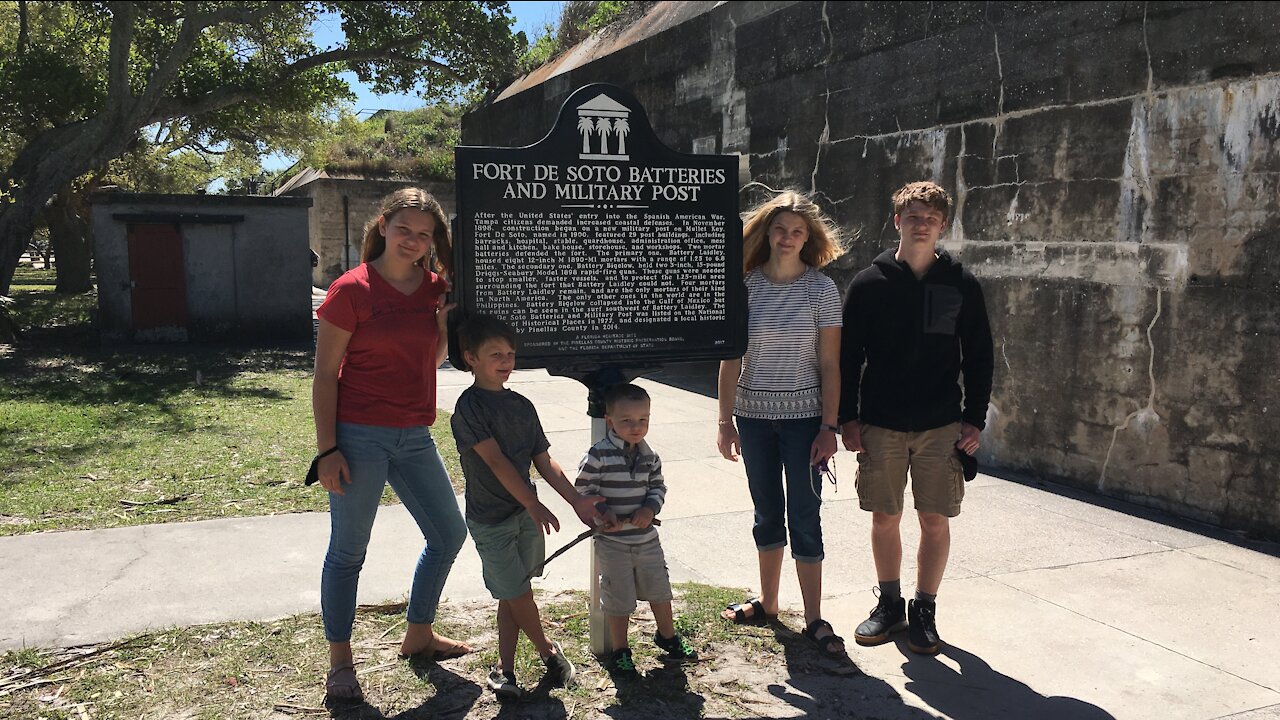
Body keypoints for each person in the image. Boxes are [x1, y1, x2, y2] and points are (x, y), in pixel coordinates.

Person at [311, 188, 470, 703]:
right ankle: (340, 661)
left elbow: (433, 357)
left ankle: (419, 634)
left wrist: (443, 323)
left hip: (415, 435)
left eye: (424, 235)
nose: (414, 241)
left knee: (448, 533)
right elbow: (324, 378)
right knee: (348, 552)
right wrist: (328, 450)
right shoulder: (350, 290)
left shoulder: (432, 289)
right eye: (404, 229)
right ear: (382, 226)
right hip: (358, 435)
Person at [840, 181, 994, 655]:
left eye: (931, 217)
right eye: (913, 216)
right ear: (897, 222)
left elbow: (980, 356)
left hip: (940, 424)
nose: (921, 223)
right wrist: (847, 418)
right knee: (885, 517)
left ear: (943, 224)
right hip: (881, 423)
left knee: (935, 519)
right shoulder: (869, 284)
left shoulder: (961, 284)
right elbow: (847, 357)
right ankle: (889, 604)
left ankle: (923, 610)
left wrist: (974, 419)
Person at [716, 190, 847, 660]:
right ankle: (768, 604)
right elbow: (731, 359)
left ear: (808, 237)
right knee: (767, 511)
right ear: (766, 232)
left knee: (806, 516)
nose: (788, 238)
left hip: (805, 422)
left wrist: (828, 427)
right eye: (780, 229)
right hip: (752, 420)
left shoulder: (822, 290)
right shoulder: (745, 285)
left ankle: (814, 619)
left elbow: (831, 364)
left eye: (797, 231)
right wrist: (724, 421)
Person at [451, 314, 607, 700]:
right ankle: (549, 652)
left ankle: (504, 668)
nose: (506, 361)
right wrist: (533, 503)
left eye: (510, 353)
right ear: (471, 358)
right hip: (490, 518)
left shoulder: (522, 405)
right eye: (495, 354)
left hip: (524, 515)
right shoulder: (468, 408)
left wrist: (576, 501)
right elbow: (497, 462)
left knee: (514, 592)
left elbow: (544, 460)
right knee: (518, 593)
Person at [575, 382, 700, 676]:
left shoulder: (650, 455)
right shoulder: (598, 455)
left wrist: (649, 509)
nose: (636, 427)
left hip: (646, 539)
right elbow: (584, 491)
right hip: (612, 541)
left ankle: (667, 637)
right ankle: (621, 650)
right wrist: (603, 513)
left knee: (659, 588)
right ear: (610, 421)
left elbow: (658, 487)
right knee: (618, 597)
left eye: (642, 420)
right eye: (627, 421)